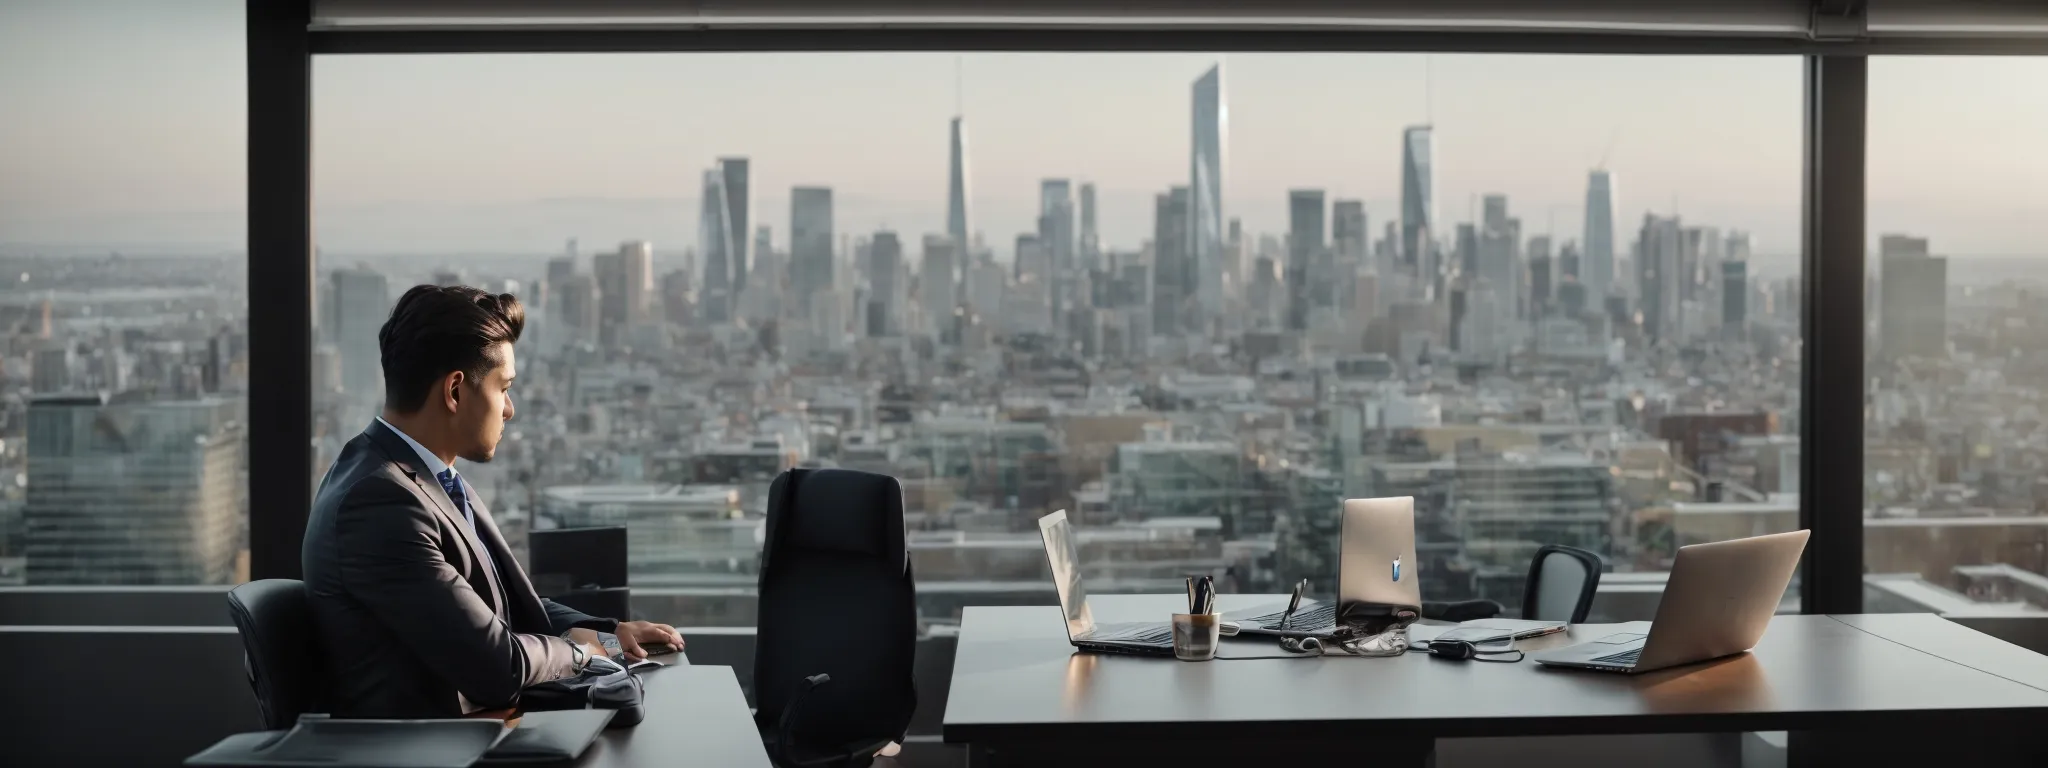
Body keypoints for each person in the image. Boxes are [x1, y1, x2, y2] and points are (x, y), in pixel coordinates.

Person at [303, 285, 684, 718]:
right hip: (437, 748)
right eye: (504, 387)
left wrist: (611, 636)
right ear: (455, 391)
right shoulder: (378, 504)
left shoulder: (415, 476)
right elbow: (497, 666)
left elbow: (498, 606)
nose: (510, 409)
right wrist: (577, 654)